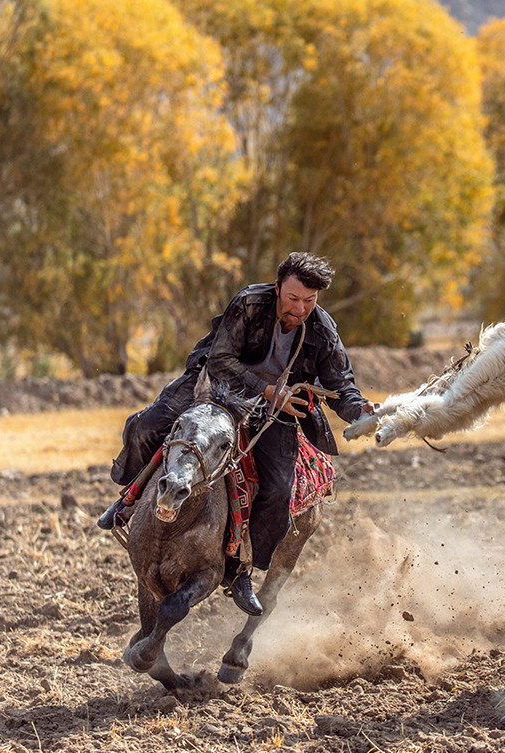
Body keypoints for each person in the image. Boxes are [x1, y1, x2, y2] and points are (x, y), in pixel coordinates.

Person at [97, 252, 376, 615]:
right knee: (145, 427)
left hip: (274, 411)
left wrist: (362, 410)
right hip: (217, 385)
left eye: (309, 301)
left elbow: (341, 384)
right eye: (293, 298)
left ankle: (240, 567)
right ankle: (129, 500)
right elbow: (220, 360)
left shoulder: (322, 329)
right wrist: (266, 389)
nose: (301, 308)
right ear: (277, 289)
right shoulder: (248, 303)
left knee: (278, 488)